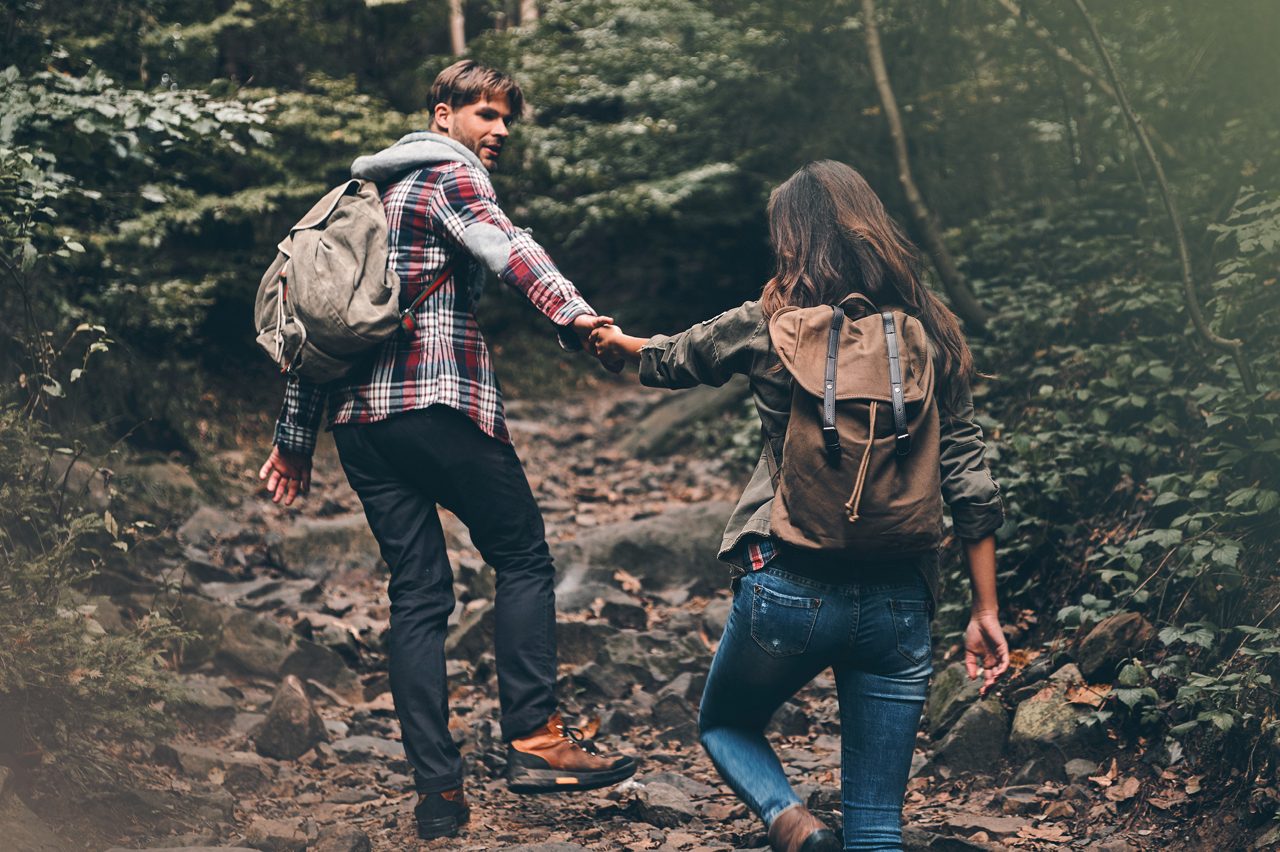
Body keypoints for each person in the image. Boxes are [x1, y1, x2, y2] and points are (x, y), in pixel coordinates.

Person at [257, 60, 635, 842]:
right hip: (437, 404)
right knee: (523, 557)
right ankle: (534, 738)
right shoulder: (448, 176)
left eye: (507, 119)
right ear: (443, 116)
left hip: (361, 429)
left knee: (419, 596)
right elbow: (509, 248)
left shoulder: (364, 199)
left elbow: (318, 330)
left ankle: (438, 794)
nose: (500, 131)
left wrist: (294, 442)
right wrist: (580, 320)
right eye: (486, 114)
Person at [590, 160, 1009, 852]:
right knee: (877, 825)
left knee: (725, 724)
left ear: (793, 238)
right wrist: (985, 610)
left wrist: (614, 343)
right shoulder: (931, 332)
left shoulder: (770, 325)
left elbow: (670, 358)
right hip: (900, 596)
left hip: (788, 583)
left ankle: (793, 825)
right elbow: (969, 478)